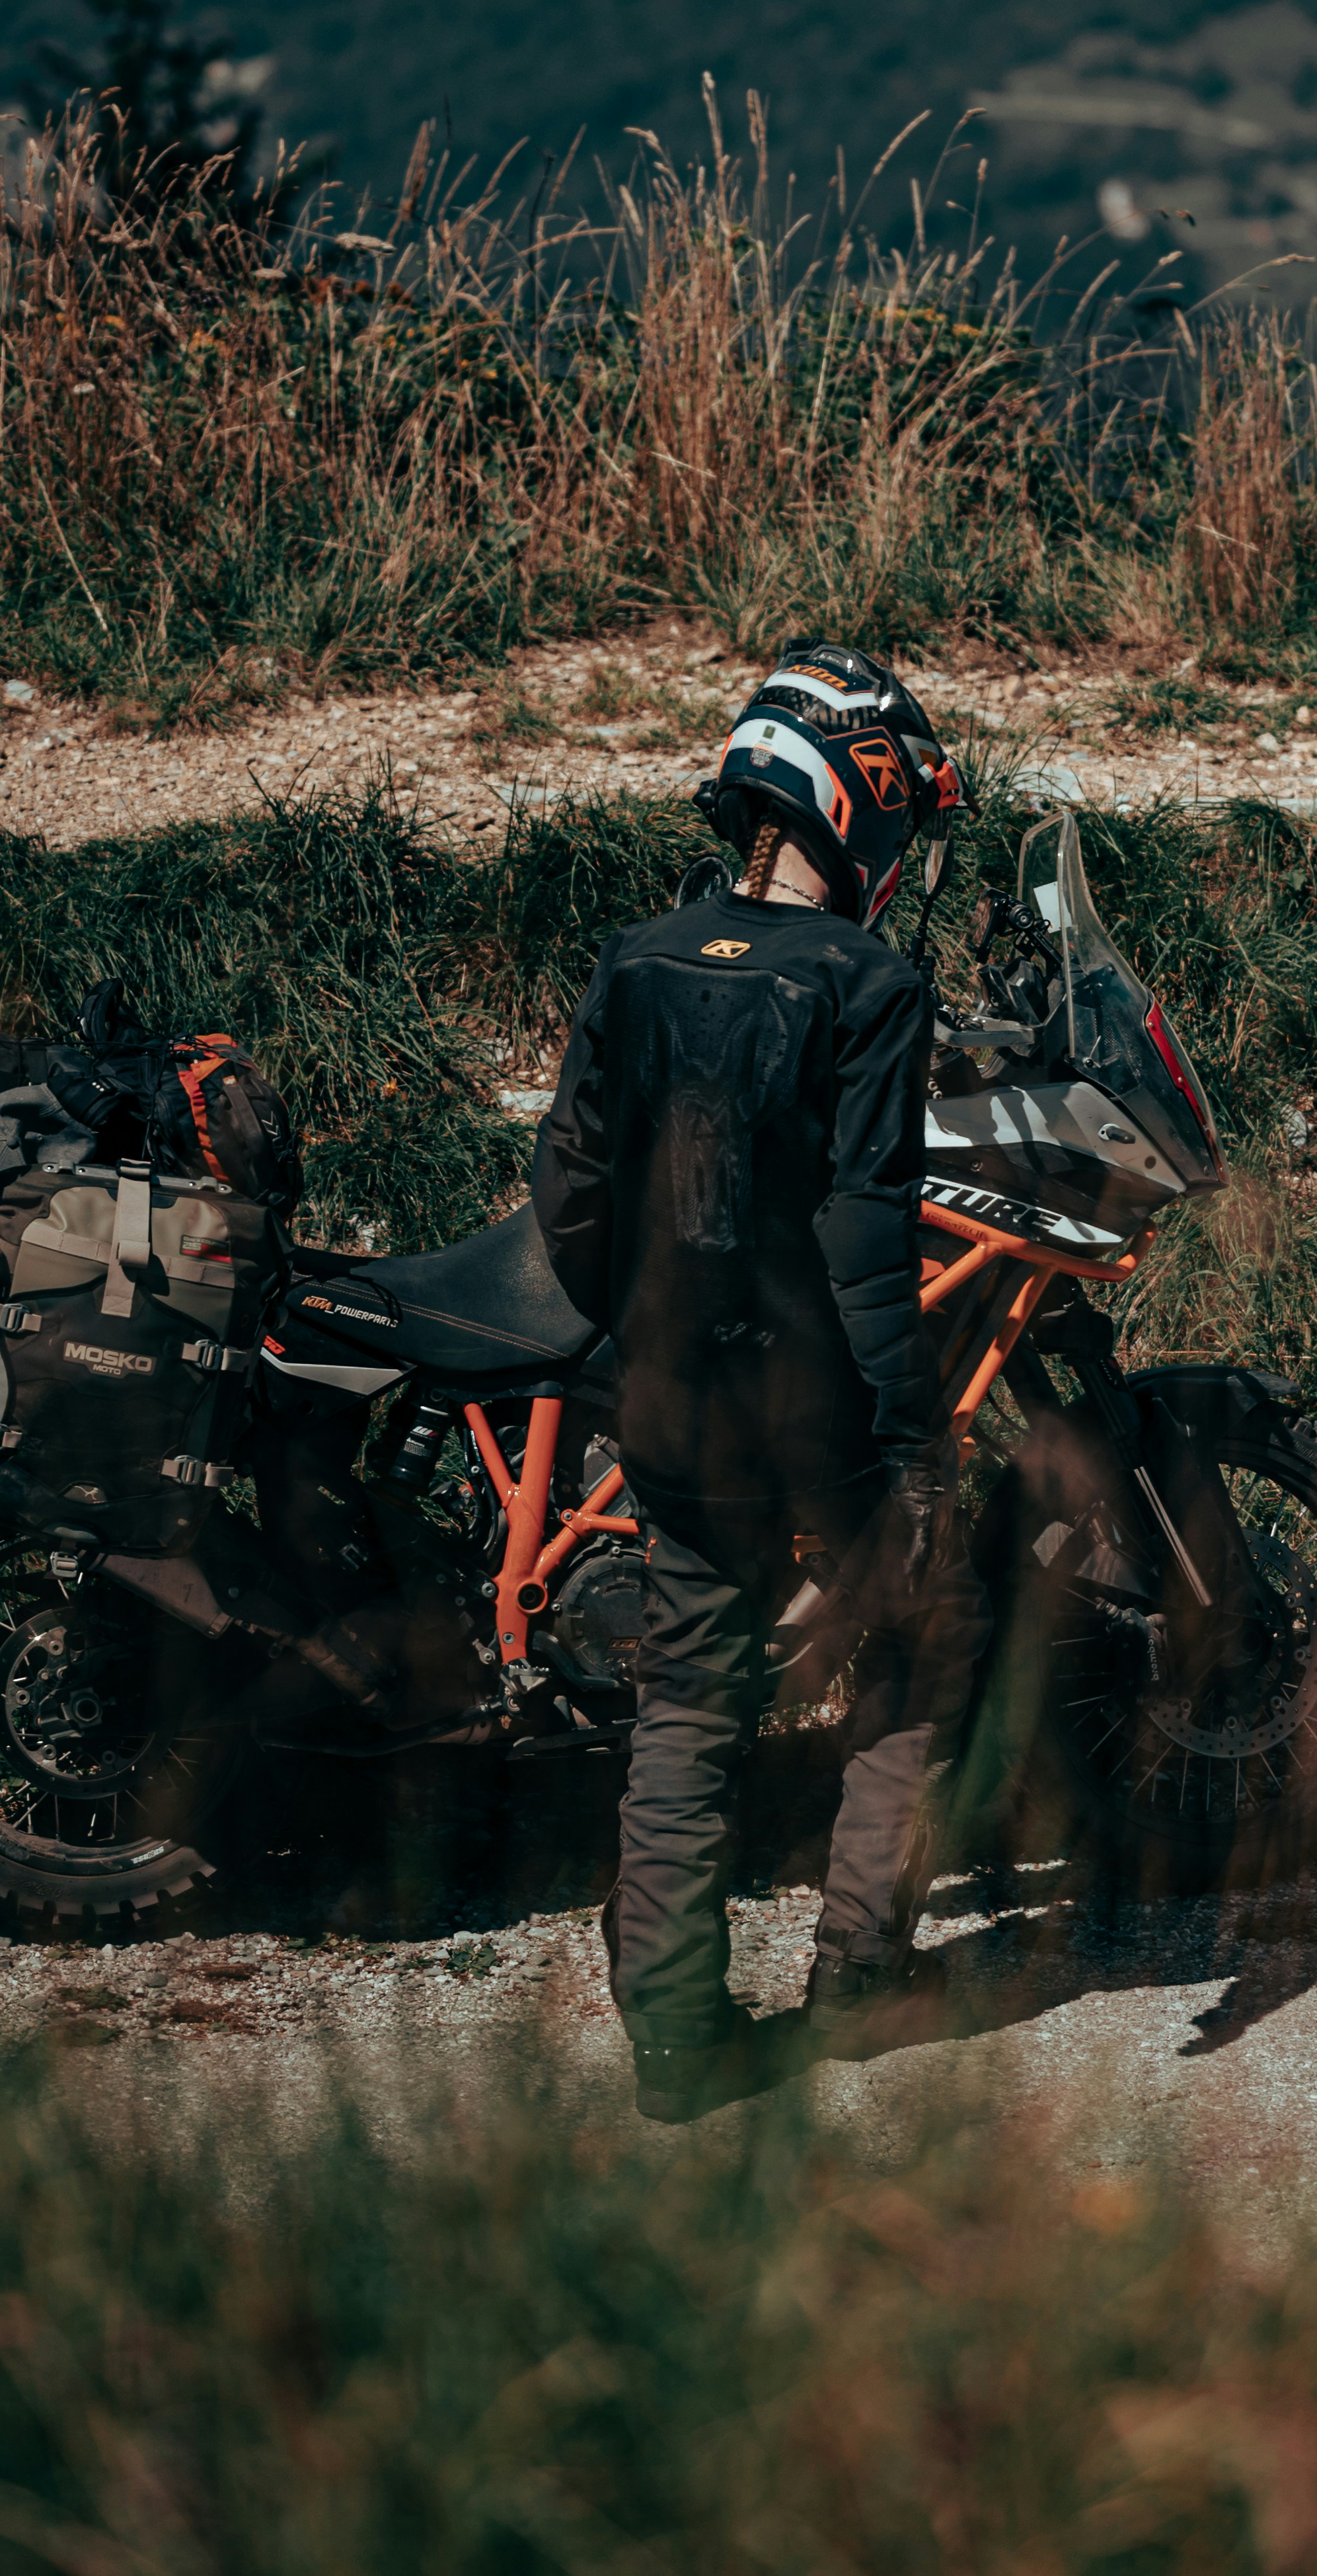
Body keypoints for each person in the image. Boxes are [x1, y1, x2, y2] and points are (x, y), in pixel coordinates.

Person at [532, 640, 989, 2121]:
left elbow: (571, 1192)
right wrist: (910, 1446)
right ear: (851, 800)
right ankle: (856, 1975)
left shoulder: (636, 957)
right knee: (919, 1645)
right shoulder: (866, 983)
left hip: (667, 1401)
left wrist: (640, 1328)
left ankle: (670, 2039)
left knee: (686, 1705)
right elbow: (865, 1237)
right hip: (815, 1412)